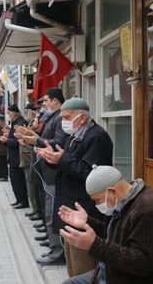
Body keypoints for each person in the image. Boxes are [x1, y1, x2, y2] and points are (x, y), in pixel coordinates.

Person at [36, 97, 113, 272]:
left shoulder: (97, 137)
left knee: (83, 265)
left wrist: (61, 159)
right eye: (62, 117)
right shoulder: (75, 135)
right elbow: (66, 162)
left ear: (82, 117)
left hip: (84, 208)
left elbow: (91, 173)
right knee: (72, 263)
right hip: (71, 207)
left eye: (67, 117)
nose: (64, 122)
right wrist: (51, 158)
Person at [20, 87, 67, 259]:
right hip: (46, 171)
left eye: (46, 100)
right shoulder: (52, 117)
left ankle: (57, 251)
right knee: (48, 209)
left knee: (52, 211)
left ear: (55, 100)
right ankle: (52, 242)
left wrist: (36, 139)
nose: (44, 104)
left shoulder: (60, 118)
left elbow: (57, 143)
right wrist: (31, 135)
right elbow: (45, 138)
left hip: (54, 172)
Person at [2, 104, 29, 209]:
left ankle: (23, 201)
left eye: (9, 113)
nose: (8, 115)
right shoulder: (15, 122)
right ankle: (19, 200)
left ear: (15, 113)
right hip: (13, 156)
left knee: (19, 180)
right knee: (14, 180)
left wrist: (7, 140)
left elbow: (20, 141)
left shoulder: (21, 123)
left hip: (19, 156)